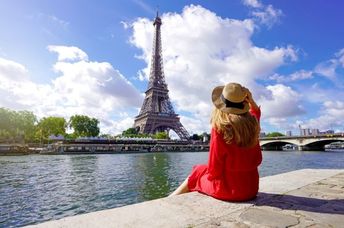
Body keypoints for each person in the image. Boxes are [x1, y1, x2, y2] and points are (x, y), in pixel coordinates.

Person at [169, 82, 262, 201]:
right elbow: (256, 114)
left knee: (197, 172)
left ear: (222, 104)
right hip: (251, 189)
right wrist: (252, 101)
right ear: (244, 101)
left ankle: (169, 199)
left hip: (227, 190)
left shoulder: (220, 127)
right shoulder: (253, 125)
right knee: (200, 169)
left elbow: (214, 170)